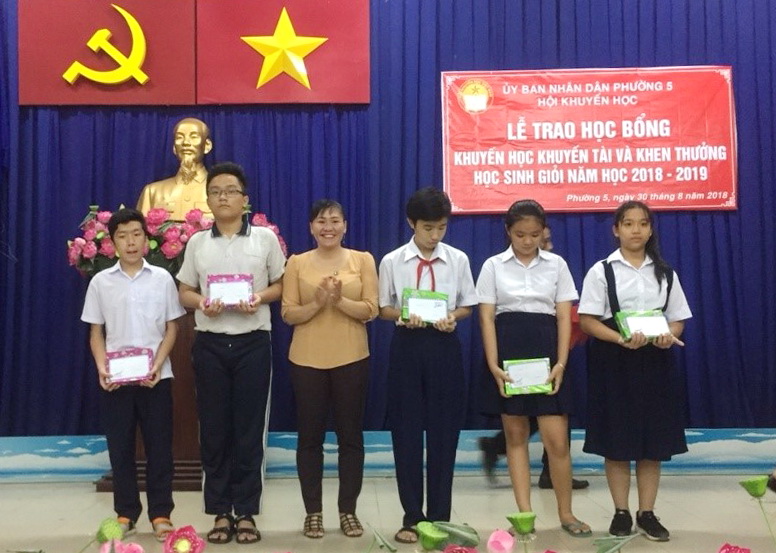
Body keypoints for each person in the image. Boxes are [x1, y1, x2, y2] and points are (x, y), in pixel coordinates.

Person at [177, 162, 285, 544]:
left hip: (252, 342)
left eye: (230, 191)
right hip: (210, 344)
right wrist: (201, 303)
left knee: (249, 431)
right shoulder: (197, 243)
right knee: (214, 429)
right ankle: (221, 511)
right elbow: (184, 291)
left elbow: (281, 284)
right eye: (216, 192)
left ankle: (247, 512)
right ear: (208, 200)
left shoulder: (265, 239)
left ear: (245, 199)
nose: (223, 197)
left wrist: (259, 297)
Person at [578, 201, 692, 542]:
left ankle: (647, 513)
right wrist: (619, 338)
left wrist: (668, 336)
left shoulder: (666, 273)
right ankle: (621, 512)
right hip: (614, 360)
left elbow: (678, 319)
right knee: (617, 440)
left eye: (643, 223)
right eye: (628, 224)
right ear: (616, 229)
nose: (636, 230)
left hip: (655, 362)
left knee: (652, 441)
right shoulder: (602, 271)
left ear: (651, 229)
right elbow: (587, 321)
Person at [477, 200, 591, 538]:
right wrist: (493, 364)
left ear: (544, 232)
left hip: (547, 352)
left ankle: (566, 513)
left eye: (535, 234)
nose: (528, 241)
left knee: (557, 441)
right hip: (508, 350)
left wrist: (561, 362)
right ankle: (524, 515)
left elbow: (564, 316)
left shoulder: (557, 265)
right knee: (515, 436)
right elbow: (486, 317)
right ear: (508, 232)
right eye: (520, 234)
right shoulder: (493, 266)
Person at [378, 187, 479, 544]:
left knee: (443, 433)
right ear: (411, 223)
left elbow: (468, 304)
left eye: (441, 227)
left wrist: (453, 316)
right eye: (428, 228)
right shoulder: (392, 261)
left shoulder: (458, 259)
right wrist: (402, 316)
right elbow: (383, 307)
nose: (435, 235)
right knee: (405, 431)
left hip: (444, 345)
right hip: (407, 345)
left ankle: (440, 516)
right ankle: (412, 517)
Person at [81, 208, 185, 542]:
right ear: (112, 242)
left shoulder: (162, 278)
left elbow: (172, 327)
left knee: (159, 448)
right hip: (116, 380)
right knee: (121, 448)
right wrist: (102, 367)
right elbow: (96, 332)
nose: (130, 242)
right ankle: (125, 513)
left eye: (136, 234)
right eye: (123, 236)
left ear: (146, 238)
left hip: (156, 377)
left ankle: (161, 514)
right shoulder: (101, 282)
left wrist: (158, 363)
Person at [281, 199, 379, 539]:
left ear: (345, 226)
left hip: (351, 358)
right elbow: (288, 313)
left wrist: (339, 301)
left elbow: (371, 309)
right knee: (309, 439)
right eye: (321, 221)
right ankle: (313, 512)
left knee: (350, 438)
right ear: (311, 227)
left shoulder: (362, 260)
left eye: (335, 220)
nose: (328, 227)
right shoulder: (296, 263)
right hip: (306, 360)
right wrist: (318, 302)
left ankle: (348, 510)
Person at [137, 117, 213, 221]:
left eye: (194, 137)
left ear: (207, 145)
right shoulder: (152, 192)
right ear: (174, 148)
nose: (186, 142)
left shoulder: (219, 192)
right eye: (179, 137)